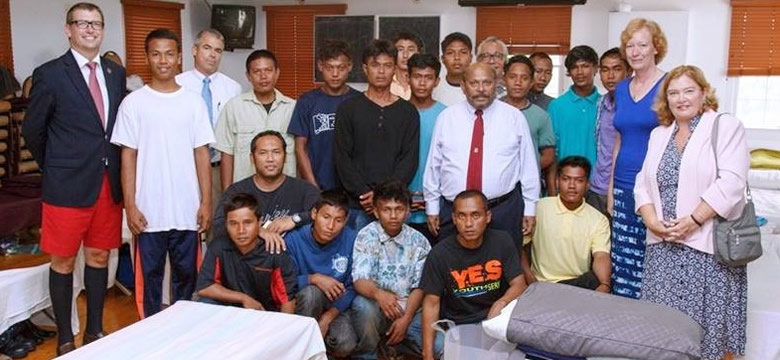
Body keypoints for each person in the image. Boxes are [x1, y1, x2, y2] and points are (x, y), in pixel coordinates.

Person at [22, 2, 126, 355]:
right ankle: (66, 336)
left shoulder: (115, 72)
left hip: (107, 185)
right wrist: (56, 166)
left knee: (99, 257)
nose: (90, 29)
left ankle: (96, 330)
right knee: (64, 261)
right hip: (66, 187)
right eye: (82, 23)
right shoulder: (50, 73)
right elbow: (33, 131)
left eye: (96, 23)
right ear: (68, 29)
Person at [636, 65, 749, 360]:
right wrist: (651, 221)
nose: (681, 99)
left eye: (688, 91)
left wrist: (692, 221)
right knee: (662, 330)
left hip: (707, 248)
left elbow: (732, 183)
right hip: (663, 249)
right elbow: (642, 184)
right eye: (673, 93)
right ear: (666, 99)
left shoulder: (725, 126)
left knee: (709, 333)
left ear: (703, 93)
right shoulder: (659, 134)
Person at [111, 29, 214, 318]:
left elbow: (202, 154)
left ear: (180, 57)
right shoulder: (133, 103)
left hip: (187, 211)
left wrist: (206, 202)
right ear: (147, 58)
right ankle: (150, 338)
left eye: (169, 53)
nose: (163, 60)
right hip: (147, 214)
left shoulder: (193, 102)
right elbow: (127, 156)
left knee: (187, 281)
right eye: (156, 54)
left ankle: (183, 336)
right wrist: (130, 206)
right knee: (149, 284)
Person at [423, 62, 539, 249]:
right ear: (463, 86)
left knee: (504, 271)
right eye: (474, 83)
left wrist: (530, 209)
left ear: (497, 83)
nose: (481, 89)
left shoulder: (514, 117)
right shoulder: (446, 118)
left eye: (487, 83)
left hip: (503, 210)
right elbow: (433, 166)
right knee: (453, 272)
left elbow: (528, 167)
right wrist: (432, 206)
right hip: (454, 212)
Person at [420, 190, 527, 360]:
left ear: (488, 216)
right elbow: (431, 303)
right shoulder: (440, 254)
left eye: (475, 215)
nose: (468, 223)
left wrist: (501, 302)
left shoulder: (502, 241)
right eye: (462, 216)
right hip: (459, 326)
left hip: (495, 320)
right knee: (440, 345)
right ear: (454, 219)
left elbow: (519, 284)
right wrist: (427, 355)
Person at [334, 39, 419, 231]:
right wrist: (364, 193)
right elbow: (342, 157)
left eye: (387, 65)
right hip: (357, 204)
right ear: (365, 68)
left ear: (395, 69)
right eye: (375, 65)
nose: (381, 71)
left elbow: (409, 159)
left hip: (394, 206)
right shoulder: (348, 108)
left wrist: (383, 196)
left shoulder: (408, 112)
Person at [610, 18, 668, 299]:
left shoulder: (669, 85)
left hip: (655, 189)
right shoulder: (621, 89)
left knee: (652, 257)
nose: (635, 51)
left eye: (642, 45)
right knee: (623, 259)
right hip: (623, 185)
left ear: (655, 48)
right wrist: (611, 189)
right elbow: (618, 140)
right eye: (630, 45)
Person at [350, 180, 440, 359]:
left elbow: (420, 287)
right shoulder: (366, 235)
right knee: (362, 305)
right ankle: (369, 353)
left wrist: (405, 319)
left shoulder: (419, 241)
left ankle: (396, 344)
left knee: (439, 348)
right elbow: (359, 280)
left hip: (411, 310)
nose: (393, 216)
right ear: (376, 211)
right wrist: (379, 294)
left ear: (407, 211)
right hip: (378, 306)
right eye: (386, 209)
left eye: (399, 209)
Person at [212, 131, 319, 250]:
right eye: (263, 153)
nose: (270, 159)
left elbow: (327, 215)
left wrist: (295, 219)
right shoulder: (236, 191)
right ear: (252, 158)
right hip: (248, 262)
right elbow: (219, 227)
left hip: (292, 260)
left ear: (285, 157)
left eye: (276, 152)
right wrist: (256, 230)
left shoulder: (304, 189)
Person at [521, 156, 611, 291]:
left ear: (587, 184)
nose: (572, 186)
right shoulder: (539, 208)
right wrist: (529, 276)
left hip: (577, 285)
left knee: (594, 280)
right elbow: (520, 246)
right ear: (557, 182)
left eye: (579, 180)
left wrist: (605, 285)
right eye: (566, 179)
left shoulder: (598, 219)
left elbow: (601, 255)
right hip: (542, 283)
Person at [285, 191, 358, 357]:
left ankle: (320, 348)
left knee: (345, 344)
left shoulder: (352, 239)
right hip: (304, 304)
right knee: (313, 293)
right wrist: (314, 278)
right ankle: (302, 346)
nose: (331, 226)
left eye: (338, 220)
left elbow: (354, 285)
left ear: (345, 221)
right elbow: (285, 282)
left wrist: (329, 317)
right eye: (326, 217)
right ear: (314, 214)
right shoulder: (294, 239)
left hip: (337, 306)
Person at [196, 193, 297, 313]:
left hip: (264, 315)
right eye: (233, 224)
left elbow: (287, 300)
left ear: (259, 223)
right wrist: (243, 298)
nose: (241, 230)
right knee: (205, 303)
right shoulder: (219, 247)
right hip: (230, 312)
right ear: (226, 224)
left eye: (247, 222)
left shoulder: (274, 252)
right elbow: (204, 287)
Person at [176, 28, 242, 206]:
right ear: (195, 50)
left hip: (219, 168)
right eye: (207, 48)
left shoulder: (233, 88)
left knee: (218, 223)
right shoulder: (177, 85)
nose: (212, 55)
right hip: (185, 167)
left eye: (218, 50)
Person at [214, 49, 296, 190]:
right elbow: (227, 154)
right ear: (248, 76)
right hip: (245, 194)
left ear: (277, 73)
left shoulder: (293, 108)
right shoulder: (234, 108)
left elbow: (301, 152)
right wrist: (227, 196)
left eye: (268, 70)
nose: (263, 76)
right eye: (257, 72)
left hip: (286, 193)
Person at [288, 40, 360, 191]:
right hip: (318, 186)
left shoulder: (359, 101)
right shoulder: (306, 102)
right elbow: (300, 148)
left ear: (350, 67)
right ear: (320, 66)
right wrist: (312, 187)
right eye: (329, 68)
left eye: (340, 68)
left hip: (352, 190)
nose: (335, 74)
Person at [501, 55, 556, 196]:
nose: (518, 82)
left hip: (529, 186)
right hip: (497, 185)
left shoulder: (541, 116)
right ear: (504, 79)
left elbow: (548, 156)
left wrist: (524, 169)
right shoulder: (491, 110)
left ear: (531, 82)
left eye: (524, 78)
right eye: (512, 77)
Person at [407, 53, 446, 242]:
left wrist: (433, 200)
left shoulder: (447, 116)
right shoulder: (397, 113)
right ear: (407, 78)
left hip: (437, 205)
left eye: (428, 77)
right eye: (417, 77)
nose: (422, 83)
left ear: (437, 81)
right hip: (401, 206)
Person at [588, 48, 630, 216]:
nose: (610, 75)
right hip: (597, 187)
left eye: (616, 69)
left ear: (628, 71)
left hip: (623, 186)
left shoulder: (635, 106)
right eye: (605, 70)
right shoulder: (601, 103)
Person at [548, 45, 601, 174]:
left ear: (595, 68)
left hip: (598, 184)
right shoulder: (556, 106)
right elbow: (552, 152)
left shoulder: (605, 105)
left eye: (585, 66)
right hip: (566, 182)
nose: (580, 72)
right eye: (574, 67)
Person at [432, 32, 472, 106]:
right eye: (450, 53)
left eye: (463, 52)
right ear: (442, 59)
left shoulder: (479, 87)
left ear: (471, 58)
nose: (457, 57)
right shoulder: (434, 87)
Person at [390, 31, 423, 100]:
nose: (405, 55)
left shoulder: (423, 82)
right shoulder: (385, 81)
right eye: (400, 50)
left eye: (411, 50)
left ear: (419, 53)